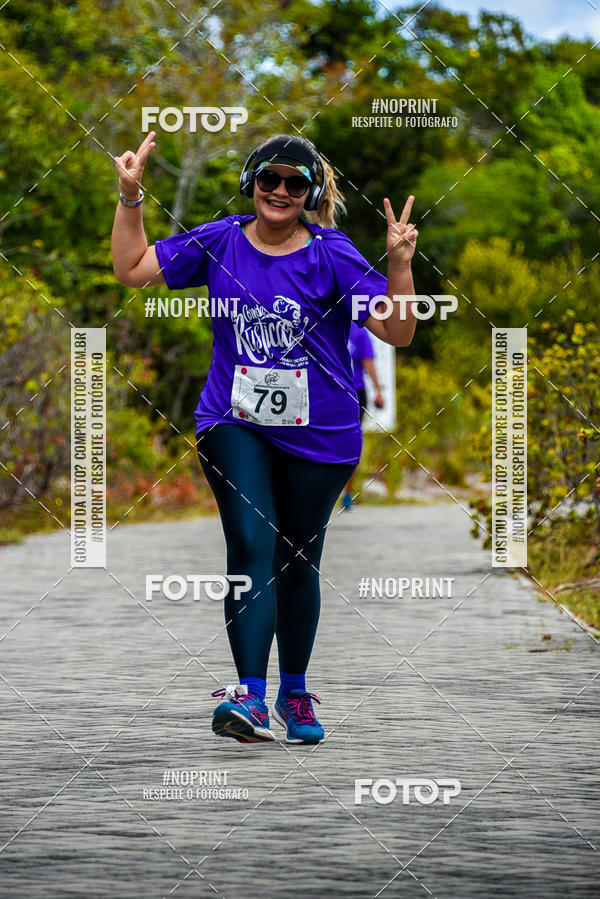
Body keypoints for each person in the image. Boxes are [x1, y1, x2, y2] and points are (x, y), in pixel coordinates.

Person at [111, 131, 418, 745]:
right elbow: (131, 269)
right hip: (234, 422)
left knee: (298, 561)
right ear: (252, 183)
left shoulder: (331, 254)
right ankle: (248, 696)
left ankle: (295, 691)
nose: (280, 191)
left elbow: (398, 331)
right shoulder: (220, 240)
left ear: (310, 194)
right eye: (269, 179)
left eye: (295, 183)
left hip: (321, 433)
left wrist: (401, 263)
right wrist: (130, 196)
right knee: (250, 546)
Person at [341, 321, 385, 510]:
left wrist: (377, 390)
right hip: (342, 391)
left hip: (350, 392)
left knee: (349, 444)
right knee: (349, 444)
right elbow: (368, 363)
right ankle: (345, 494)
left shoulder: (357, 330)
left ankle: (347, 493)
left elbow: (368, 362)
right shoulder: (357, 329)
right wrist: (378, 391)